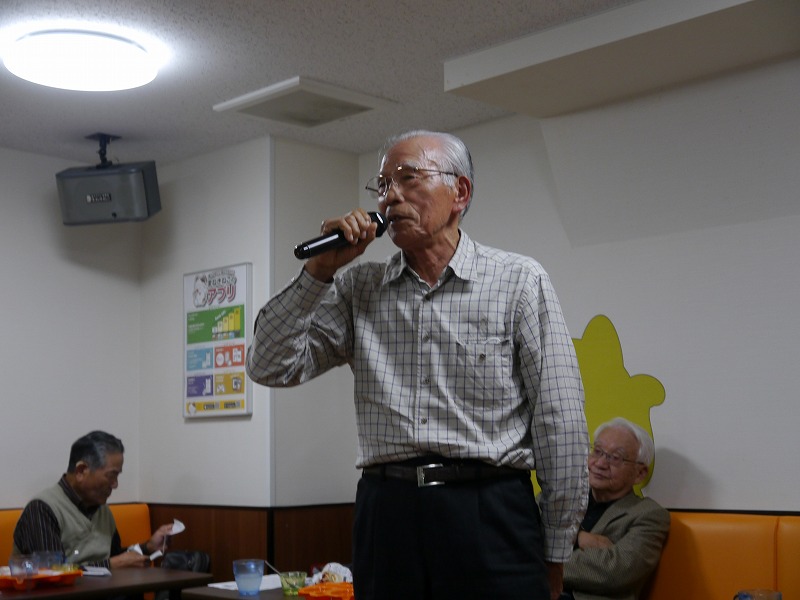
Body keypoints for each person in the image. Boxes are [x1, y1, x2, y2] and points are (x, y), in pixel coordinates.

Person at [246, 130, 588, 600]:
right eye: (383, 185)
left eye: (408, 178)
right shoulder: (359, 288)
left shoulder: (518, 281)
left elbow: (560, 419)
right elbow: (267, 365)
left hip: (490, 511)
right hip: (388, 514)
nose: (391, 197)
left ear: (459, 192)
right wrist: (319, 271)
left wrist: (556, 551)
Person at [13, 430, 173, 570]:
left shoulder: (102, 510)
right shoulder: (42, 509)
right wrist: (110, 565)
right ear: (81, 471)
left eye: (117, 476)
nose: (115, 484)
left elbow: (116, 557)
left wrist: (148, 547)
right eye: (111, 476)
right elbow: (53, 573)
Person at [561, 417, 670, 600]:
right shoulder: (561, 497)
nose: (600, 463)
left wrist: (541, 562)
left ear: (639, 473)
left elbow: (615, 571)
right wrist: (578, 537)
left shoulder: (648, 514)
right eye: (597, 451)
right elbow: (524, 538)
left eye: (615, 458)